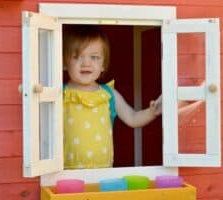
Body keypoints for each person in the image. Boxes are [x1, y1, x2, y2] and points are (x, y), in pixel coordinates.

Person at [62, 25, 162, 169]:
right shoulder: (60, 94)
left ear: (103, 64)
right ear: (65, 63)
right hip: (66, 173)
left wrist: (153, 112)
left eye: (94, 57)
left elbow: (133, 118)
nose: (86, 63)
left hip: (104, 172)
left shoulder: (108, 94)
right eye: (77, 56)